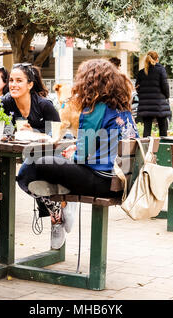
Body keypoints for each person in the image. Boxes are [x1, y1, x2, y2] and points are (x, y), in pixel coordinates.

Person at [17, 58, 139, 249]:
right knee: (48, 161)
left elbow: (81, 157)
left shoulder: (94, 109)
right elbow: (107, 144)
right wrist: (77, 150)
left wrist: (71, 155)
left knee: (29, 167)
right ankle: (60, 205)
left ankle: (58, 210)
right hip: (119, 180)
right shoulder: (122, 108)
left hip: (100, 181)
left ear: (88, 82)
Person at [135, 50, 171, 137]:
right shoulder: (161, 70)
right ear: (157, 59)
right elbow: (165, 86)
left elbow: (137, 87)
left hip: (145, 105)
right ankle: (162, 149)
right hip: (159, 104)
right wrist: (166, 96)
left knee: (147, 130)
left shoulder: (141, 73)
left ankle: (145, 149)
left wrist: (143, 96)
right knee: (163, 129)